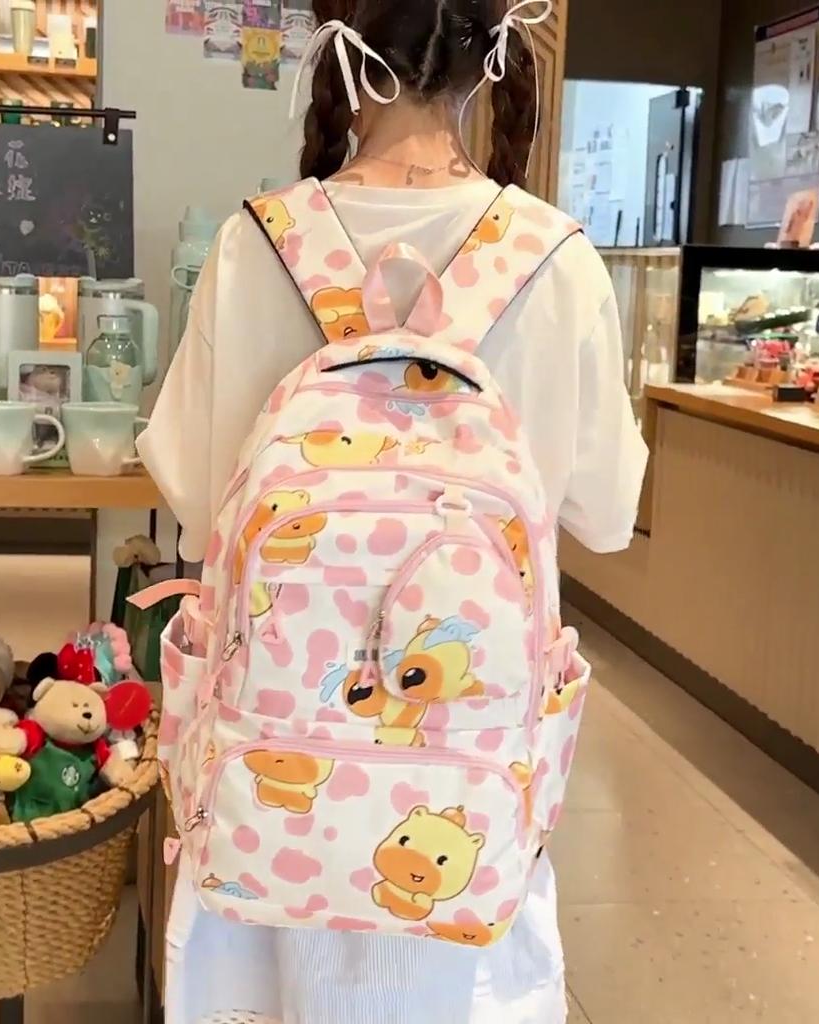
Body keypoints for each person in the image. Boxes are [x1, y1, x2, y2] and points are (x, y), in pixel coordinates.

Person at [138, 2, 648, 1022]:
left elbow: (196, 505)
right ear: (491, 49)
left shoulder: (254, 244)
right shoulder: (555, 257)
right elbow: (605, 513)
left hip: (266, 804)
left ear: (338, 39)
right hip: (470, 794)